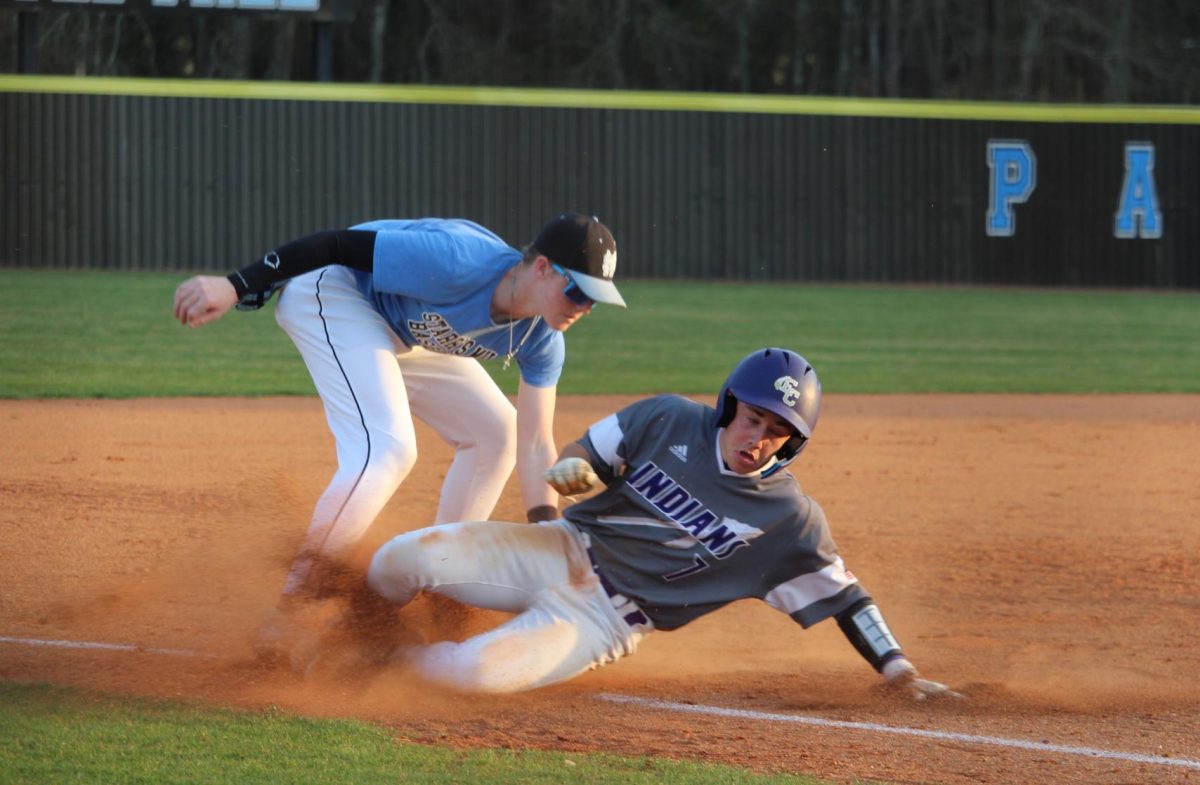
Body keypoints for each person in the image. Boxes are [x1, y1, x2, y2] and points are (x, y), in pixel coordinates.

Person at [364, 347, 962, 699]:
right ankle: (356, 624)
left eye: (778, 431)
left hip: (603, 619)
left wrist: (900, 671)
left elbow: (848, 599)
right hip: (561, 547)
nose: (759, 439)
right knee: (399, 558)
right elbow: (587, 454)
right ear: (730, 406)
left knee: (469, 675)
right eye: (753, 419)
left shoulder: (789, 520)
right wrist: (574, 464)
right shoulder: (668, 418)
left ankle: (375, 664)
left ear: (793, 444)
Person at [171, 213, 626, 648]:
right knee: (386, 449)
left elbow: (534, 442)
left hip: (403, 332)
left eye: (594, 300)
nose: (584, 308)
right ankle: (291, 614)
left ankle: (442, 585)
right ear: (543, 268)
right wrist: (236, 284)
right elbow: (335, 244)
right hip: (333, 292)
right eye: (577, 292)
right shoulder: (458, 260)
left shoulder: (542, 338)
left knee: (499, 434)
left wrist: (547, 531)